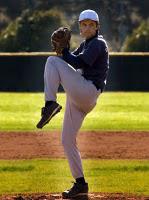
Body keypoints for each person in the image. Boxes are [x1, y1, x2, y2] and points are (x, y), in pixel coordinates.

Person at [36, 9, 109, 199]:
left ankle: (50, 103)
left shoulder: (98, 44)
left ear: (97, 27)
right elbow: (68, 61)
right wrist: (62, 51)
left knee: (51, 61)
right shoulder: (85, 44)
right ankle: (80, 184)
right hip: (80, 97)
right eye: (83, 24)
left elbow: (79, 62)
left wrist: (64, 51)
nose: (86, 27)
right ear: (80, 27)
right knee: (67, 140)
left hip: (87, 90)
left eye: (90, 24)